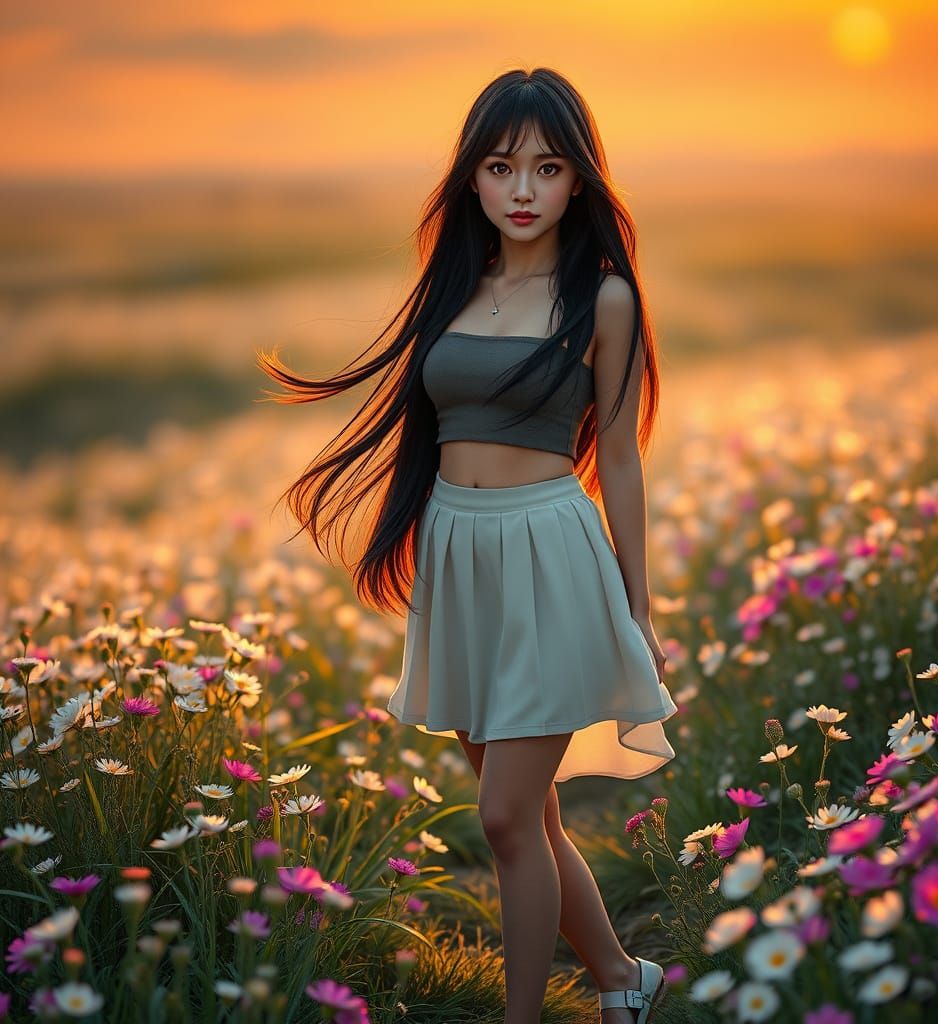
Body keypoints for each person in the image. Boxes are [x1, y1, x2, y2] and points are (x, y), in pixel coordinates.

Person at [257, 66, 676, 1024]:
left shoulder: (601, 298)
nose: (523, 190)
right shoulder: (454, 285)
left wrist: (636, 604)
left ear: (579, 180)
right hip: (460, 557)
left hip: (549, 559)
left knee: (504, 820)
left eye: (547, 167)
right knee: (535, 818)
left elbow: (618, 457)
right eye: (501, 167)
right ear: (472, 180)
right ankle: (622, 980)